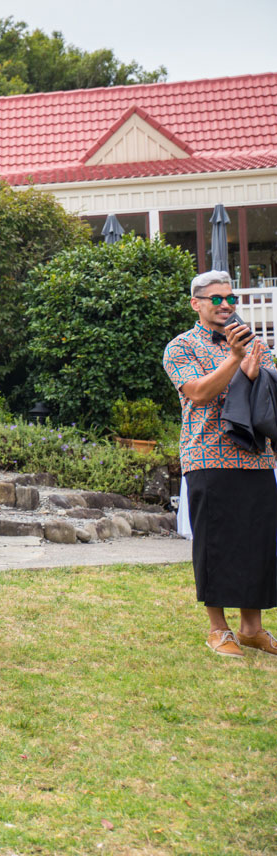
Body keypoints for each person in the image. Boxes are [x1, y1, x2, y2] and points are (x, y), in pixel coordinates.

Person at [162, 270, 277, 657]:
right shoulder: (181, 347)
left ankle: (251, 628)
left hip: (257, 458)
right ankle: (218, 629)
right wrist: (233, 359)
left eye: (229, 297)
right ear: (196, 303)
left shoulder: (255, 342)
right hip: (207, 456)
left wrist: (254, 369)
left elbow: (266, 394)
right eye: (216, 298)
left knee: (257, 544)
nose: (225, 304)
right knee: (215, 543)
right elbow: (198, 393)